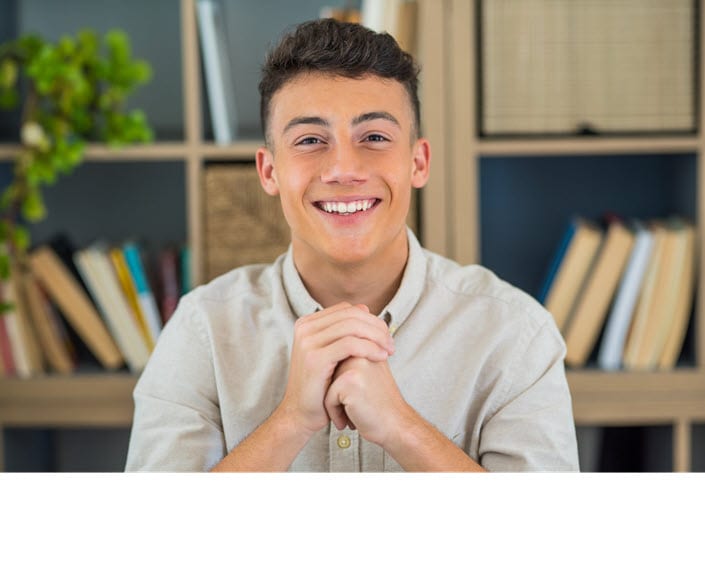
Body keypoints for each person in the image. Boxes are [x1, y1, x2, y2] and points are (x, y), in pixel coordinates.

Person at [125, 18, 579, 472]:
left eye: (375, 137)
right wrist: (291, 421)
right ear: (269, 172)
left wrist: (401, 428)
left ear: (418, 162)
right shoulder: (202, 331)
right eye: (309, 140)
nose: (343, 168)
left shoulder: (515, 334)